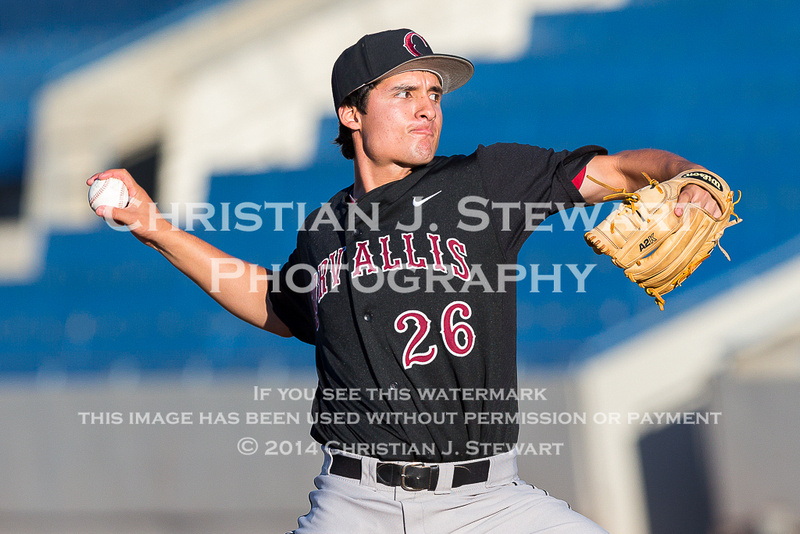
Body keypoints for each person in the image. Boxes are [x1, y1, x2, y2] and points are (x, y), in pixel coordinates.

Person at [89, 28, 724, 534]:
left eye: (434, 94)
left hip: (487, 503)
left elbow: (619, 172)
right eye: (404, 93)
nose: (427, 108)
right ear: (351, 112)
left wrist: (688, 176)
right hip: (353, 502)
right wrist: (156, 229)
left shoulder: (485, 183)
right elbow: (274, 305)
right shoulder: (323, 229)